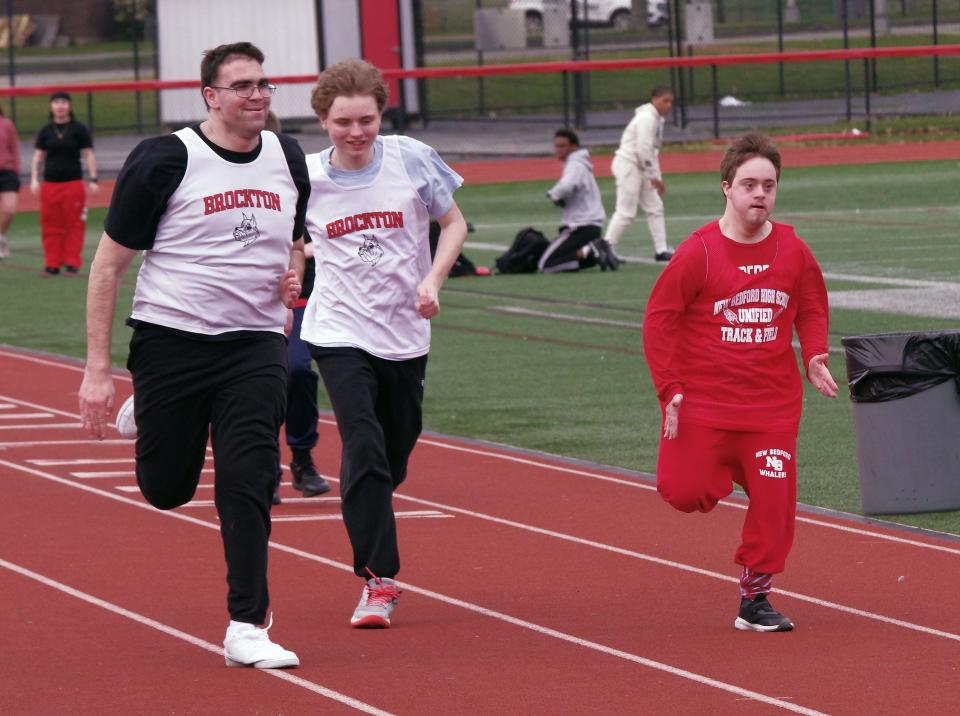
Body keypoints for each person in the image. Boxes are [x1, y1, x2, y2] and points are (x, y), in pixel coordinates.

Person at [78, 42, 308, 669]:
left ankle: (246, 625)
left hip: (255, 345)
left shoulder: (288, 157)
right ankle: (145, 409)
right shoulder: (166, 159)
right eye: (242, 86)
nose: (257, 95)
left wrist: (292, 276)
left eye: (264, 84)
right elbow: (108, 265)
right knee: (166, 489)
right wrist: (98, 369)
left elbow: (295, 241)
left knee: (250, 476)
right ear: (210, 96)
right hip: (172, 340)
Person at [642, 133, 837, 632]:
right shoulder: (699, 253)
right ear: (726, 188)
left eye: (768, 185)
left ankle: (755, 598)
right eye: (749, 184)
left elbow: (812, 305)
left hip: (771, 409)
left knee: (776, 505)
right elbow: (659, 318)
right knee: (683, 491)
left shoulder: (792, 249)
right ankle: (724, 468)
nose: (760, 194)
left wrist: (814, 354)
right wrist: (670, 388)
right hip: (704, 404)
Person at [301, 58, 467, 628]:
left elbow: (455, 224)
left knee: (393, 453)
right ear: (323, 119)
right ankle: (379, 579)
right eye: (343, 122)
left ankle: (367, 497)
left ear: (381, 114)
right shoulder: (304, 176)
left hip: (405, 331)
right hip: (338, 329)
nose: (355, 133)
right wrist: (285, 270)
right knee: (364, 445)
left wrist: (433, 279)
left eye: (366, 120)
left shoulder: (410, 158)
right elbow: (286, 239)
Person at [262, 111, 330, 506]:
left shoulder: (302, 176)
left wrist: (311, 247)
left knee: (299, 370)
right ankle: (262, 464)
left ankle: (302, 458)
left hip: (299, 292)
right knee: (253, 385)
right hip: (242, 300)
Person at [30, 91, 98, 276]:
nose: (60, 106)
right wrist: (34, 178)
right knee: (50, 224)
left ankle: (72, 263)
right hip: (50, 184)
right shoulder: (45, 131)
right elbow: (38, 156)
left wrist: (93, 178)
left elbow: (88, 153)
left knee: (74, 224)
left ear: (69, 106)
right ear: (51, 107)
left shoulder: (79, 129)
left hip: (73, 183)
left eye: (64, 102)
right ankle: (52, 263)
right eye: (56, 102)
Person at [603, 86, 675, 262]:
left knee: (655, 207)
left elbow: (651, 150)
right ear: (654, 99)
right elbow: (643, 149)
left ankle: (661, 249)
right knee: (625, 211)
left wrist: (656, 177)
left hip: (641, 167)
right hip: (629, 165)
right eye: (665, 100)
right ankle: (604, 248)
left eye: (671, 102)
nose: (669, 105)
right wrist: (654, 176)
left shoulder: (656, 119)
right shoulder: (647, 118)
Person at [538, 128, 618, 273]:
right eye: (556, 146)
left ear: (573, 146)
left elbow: (567, 186)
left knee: (546, 265)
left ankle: (590, 249)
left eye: (563, 146)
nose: (558, 150)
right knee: (560, 258)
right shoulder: (578, 163)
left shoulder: (575, 164)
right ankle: (594, 253)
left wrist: (554, 194)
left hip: (581, 226)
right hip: (591, 226)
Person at [0, 105, 21, 260]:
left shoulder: (6, 124)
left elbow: (14, 148)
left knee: (9, 209)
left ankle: (1, 238)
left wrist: (16, 171)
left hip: (7, 172)